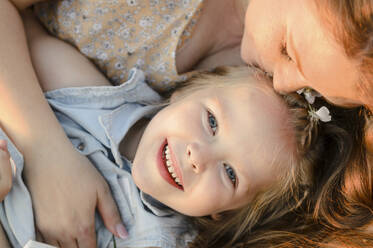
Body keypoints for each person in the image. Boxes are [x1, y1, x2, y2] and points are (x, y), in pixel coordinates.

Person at [2, 0, 373, 246]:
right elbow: (24, 32)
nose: (283, 82)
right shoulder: (107, 103)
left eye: (230, 174)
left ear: (225, 213)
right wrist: (44, 151)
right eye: (288, 52)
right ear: (182, 92)